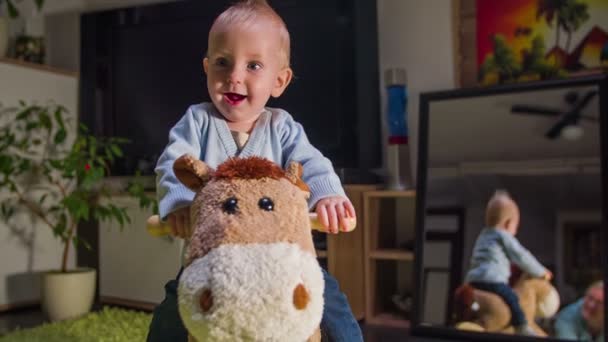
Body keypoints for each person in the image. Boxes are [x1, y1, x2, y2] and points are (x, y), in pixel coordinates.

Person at [146, 1, 362, 341]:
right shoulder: (197, 122)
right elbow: (173, 163)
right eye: (222, 63)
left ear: (279, 80)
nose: (234, 75)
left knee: (329, 301)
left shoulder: (284, 128)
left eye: (253, 65)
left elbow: (314, 163)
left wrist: (329, 195)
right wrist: (180, 204)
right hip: (215, 260)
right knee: (175, 308)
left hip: (282, 260)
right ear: (206, 68)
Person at [465, 190, 552, 336]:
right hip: (492, 280)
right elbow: (522, 256)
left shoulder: (483, 235)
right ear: (508, 224)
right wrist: (541, 271)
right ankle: (522, 326)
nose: (515, 231)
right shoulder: (504, 236)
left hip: (473, 281)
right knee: (512, 297)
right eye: (516, 227)